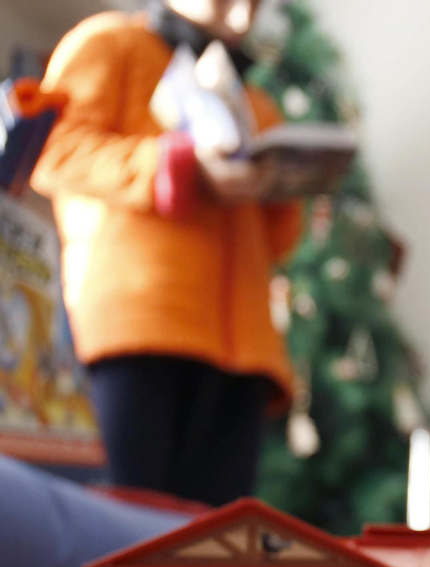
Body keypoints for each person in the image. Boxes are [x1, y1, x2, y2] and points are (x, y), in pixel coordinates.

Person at [31, 0, 301, 506]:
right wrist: (178, 166)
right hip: (135, 332)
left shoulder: (258, 104)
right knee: (122, 531)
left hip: (244, 355)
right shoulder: (110, 45)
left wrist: (282, 189)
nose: (242, 18)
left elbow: (280, 245)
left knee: (209, 551)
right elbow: (53, 149)